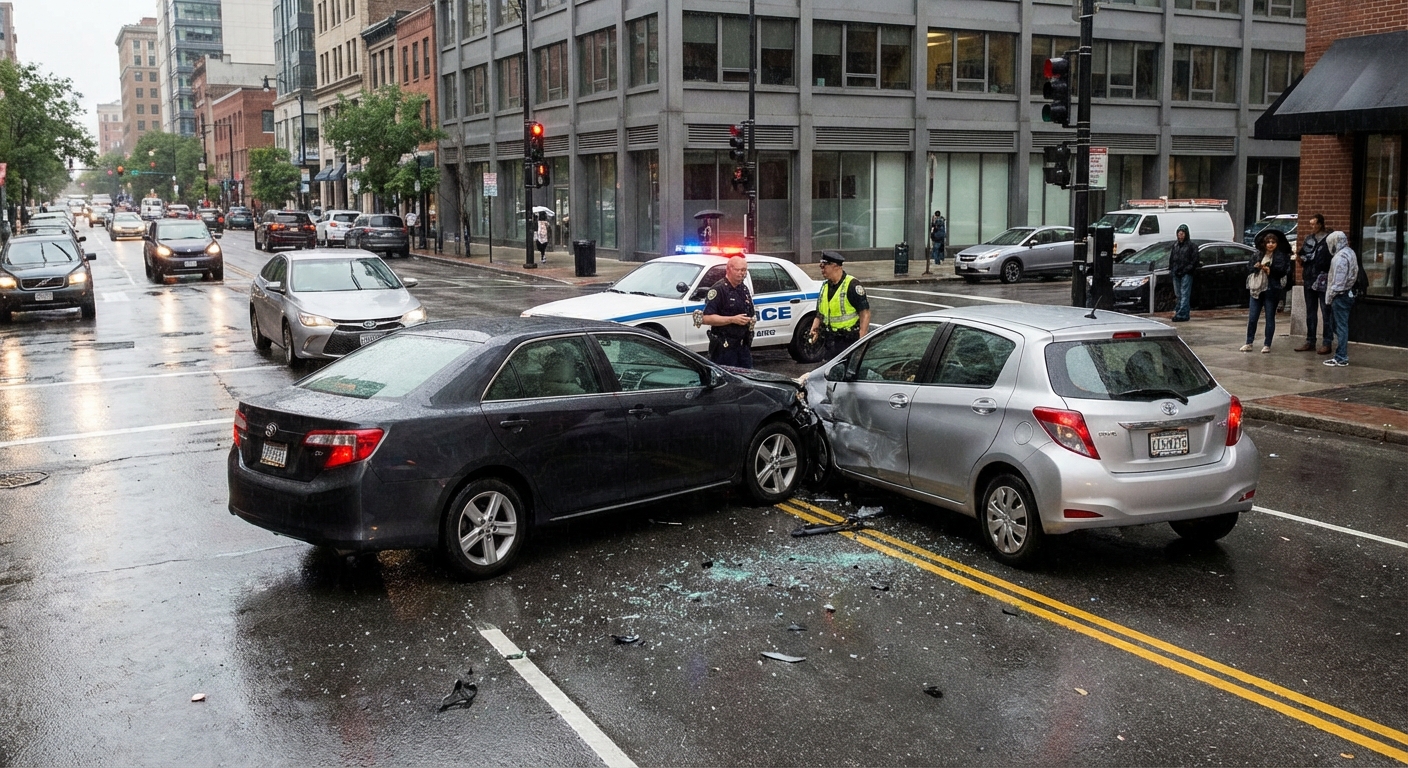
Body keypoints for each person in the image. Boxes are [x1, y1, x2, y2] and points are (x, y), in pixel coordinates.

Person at [807, 251, 871, 360]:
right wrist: (814, 329)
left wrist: (861, 341)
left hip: (849, 341)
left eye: (824, 267)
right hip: (830, 341)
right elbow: (820, 313)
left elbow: (865, 313)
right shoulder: (825, 286)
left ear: (835, 266)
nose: (822, 270)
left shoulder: (852, 285)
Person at [1241, 229, 1292, 353]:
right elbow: (1249, 267)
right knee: (1252, 317)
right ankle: (1249, 342)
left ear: (1277, 243)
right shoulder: (1258, 254)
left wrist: (1271, 271)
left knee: (1270, 317)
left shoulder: (1281, 256)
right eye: (1268, 242)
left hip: (1271, 289)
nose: (1270, 244)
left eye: (1273, 242)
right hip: (1256, 289)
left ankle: (1267, 344)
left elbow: (1283, 271)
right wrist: (1256, 267)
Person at [701, 256, 755, 367]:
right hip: (724, 347)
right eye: (738, 270)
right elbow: (706, 318)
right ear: (728, 269)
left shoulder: (743, 288)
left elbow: (750, 311)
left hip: (742, 346)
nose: (741, 273)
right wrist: (732, 319)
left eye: (744, 270)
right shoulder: (718, 289)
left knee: (747, 379)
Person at [1296, 214, 1334, 354]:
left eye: (1314, 224)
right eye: (1310, 224)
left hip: (1323, 278)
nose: (1312, 227)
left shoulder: (1329, 239)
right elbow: (1302, 254)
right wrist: (1299, 258)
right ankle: (1310, 340)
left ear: (1320, 224)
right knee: (1310, 312)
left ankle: (1327, 342)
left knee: (1326, 311)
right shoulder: (1309, 239)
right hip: (1309, 278)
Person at [1323, 230, 1358, 367]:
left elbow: (1338, 283)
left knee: (1340, 326)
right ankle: (1340, 355)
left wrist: (1330, 297)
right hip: (1347, 293)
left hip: (1341, 295)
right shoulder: (1349, 252)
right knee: (1339, 325)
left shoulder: (1340, 258)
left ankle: (1341, 356)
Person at [1168, 224, 1199, 322]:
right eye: (1179, 233)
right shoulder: (1175, 245)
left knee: (1185, 293)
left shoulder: (1192, 246)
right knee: (1178, 294)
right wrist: (1172, 269)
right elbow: (1172, 258)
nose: (1180, 235)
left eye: (1182, 233)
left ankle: (1183, 313)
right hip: (1176, 272)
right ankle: (1179, 311)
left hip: (1186, 273)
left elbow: (1194, 261)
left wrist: (1186, 270)